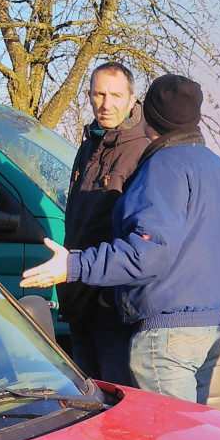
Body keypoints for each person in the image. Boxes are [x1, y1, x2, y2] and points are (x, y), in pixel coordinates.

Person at [21, 74, 220, 404]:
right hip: (209, 329)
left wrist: (73, 266)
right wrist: (200, 288)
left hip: (164, 336)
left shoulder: (162, 166)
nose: (106, 103)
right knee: (189, 439)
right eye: (98, 94)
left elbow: (147, 253)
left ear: (149, 115)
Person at [59, 61, 149, 386]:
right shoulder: (88, 146)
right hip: (78, 294)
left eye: (115, 95)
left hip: (112, 303)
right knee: (87, 397)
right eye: (99, 94)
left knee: (117, 396)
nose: (106, 104)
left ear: (131, 98)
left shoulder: (143, 149)